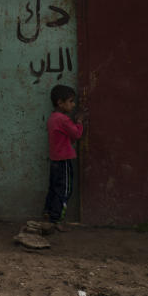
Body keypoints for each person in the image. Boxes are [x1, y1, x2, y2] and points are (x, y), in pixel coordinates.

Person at [42, 84, 87, 231]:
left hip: (55, 160)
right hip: (64, 160)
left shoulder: (52, 118)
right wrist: (79, 122)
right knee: (65, 190)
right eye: (71, 101)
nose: (73, 105)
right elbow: (76, 135)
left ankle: (48, 214)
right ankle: (57, 220)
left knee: (54, 188)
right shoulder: (63, 119)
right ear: (60, 103)